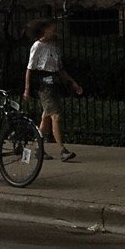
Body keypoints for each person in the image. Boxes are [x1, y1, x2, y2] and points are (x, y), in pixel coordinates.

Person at [24, 19, 83, 161]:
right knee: (55, 116)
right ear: (44, 30)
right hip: (43, 85)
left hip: (53, 83)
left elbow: (60, 69)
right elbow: (29, 68)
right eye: (51, 29)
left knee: (46, 116)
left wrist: (73, 83)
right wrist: (27, 89)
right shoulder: (37, 46)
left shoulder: (54, 46)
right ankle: (62, 150)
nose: (54, 32)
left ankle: (39, 149)